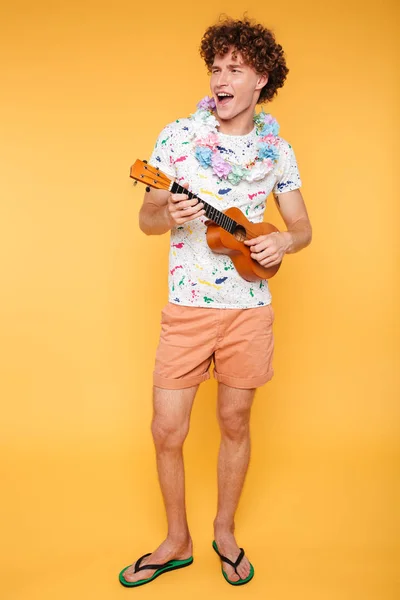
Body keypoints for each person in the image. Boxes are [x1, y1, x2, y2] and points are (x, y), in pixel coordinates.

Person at [119, 16, 312, 588]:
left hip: (249, 307)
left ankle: (223, 531)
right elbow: (146, 220)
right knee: (166, 429)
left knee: (234, 420)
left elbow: (301, 227)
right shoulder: (177, 138)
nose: (222, 78)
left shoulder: (277, 148)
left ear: (261, 80)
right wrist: (164, 212)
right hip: (187, 306)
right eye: (216, 67)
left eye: (236, 68)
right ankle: (176, 539)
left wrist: (283, 239)